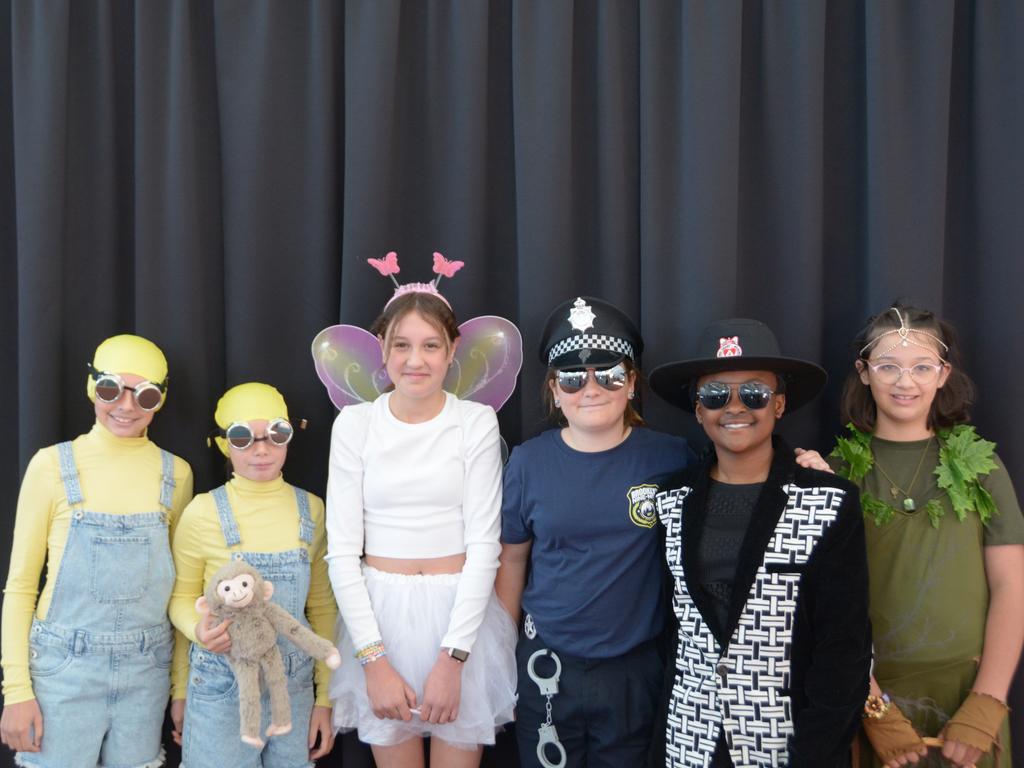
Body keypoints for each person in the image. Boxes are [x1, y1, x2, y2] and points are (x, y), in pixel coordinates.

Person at [648, 318, 871, 767]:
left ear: (780, 404)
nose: (734, 407)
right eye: (714, 396)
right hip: (689, 740)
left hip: (789, 743)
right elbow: (672, 635)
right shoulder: (670, 500)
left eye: (753, 393)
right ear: (697, 409)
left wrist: (816, 752)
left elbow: (844, 648)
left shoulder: (830, 502)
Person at [325, 272, 517, 767]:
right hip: (378, 619)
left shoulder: (474, 422)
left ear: (452, 350)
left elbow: (484, 548)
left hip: (459, 619)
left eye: (431, 345)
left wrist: (453, 660)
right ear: (383, 351)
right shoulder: (355, 425)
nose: (415, 360)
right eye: (402, 345)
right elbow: (343, 552)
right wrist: (374, 661)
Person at [496, 296, 696, 768]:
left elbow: (738, 487)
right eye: (572, 377)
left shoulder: (673, 458)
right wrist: (503, 653)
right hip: (546, 665)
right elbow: (512, 559)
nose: (591, 388)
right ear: (554, 389)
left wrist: (796, 468)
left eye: (608, 374)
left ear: (630, 384)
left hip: (634, 668)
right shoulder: (528, 462)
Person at [825, 305, 1024, 768]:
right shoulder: (837, 473)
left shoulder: (983, 469)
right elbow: (826, 607)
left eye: (921, 367)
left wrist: (987, 702)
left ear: (943, 374)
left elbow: (1012, 586)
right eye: (888, 366)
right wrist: (872, 708)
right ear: (865, 373)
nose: (904, 381)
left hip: (968, 693)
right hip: (873, 695)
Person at [0, 334, 193, 768]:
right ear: (92, 388)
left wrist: (181, 688)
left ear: (160, 399)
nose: (126, 406)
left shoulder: (176, 474)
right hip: (63, 671)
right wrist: (16, 691)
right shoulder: (51, 465)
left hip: (147, 672)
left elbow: (179, 591)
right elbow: (20, 587)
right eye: (111, 389)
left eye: (144, 394)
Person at [168, 382, 337, 767]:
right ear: (224, 444)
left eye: (276, 434)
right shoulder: (202, 512)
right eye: (242, 437)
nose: (261, 450)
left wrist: (325, 697)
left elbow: (323, 607)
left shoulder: (312, 509)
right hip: (220, 686)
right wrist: (191, 660)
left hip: (292, 689)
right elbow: (180, 599)